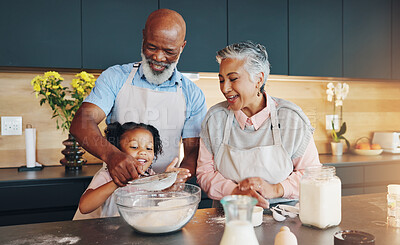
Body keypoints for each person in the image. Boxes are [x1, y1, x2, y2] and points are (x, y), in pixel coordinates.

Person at [70, 9, 206, 187]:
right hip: (117, 189)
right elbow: (82, 121)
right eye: (151, 47)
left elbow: (193, 151)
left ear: (182, 47)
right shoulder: (115, 77)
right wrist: (111, 155)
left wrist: (179, 176)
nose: (158, 57)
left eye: (169, 51)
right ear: (143, 36)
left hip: (164, 192)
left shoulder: (192, 94)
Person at [196, 41, 321, 208]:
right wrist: (235, 192)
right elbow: (204, 173)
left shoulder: (291, 119)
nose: (225, 88)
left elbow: (313, 175)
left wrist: (276, 189)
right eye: (221, 80)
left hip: (283, 218)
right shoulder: (215, 119)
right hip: (228, 217)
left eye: (233, 79)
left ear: (258, 79)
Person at [73, 122, 190, 220]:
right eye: (134, 147)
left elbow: (157, 201)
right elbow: (84, 207)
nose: (143, 152)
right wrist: (118, 181)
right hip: (105, 236)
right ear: (118, 151)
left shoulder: (150, 176)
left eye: (149, 148)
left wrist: (167, 183)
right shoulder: (107, 175)